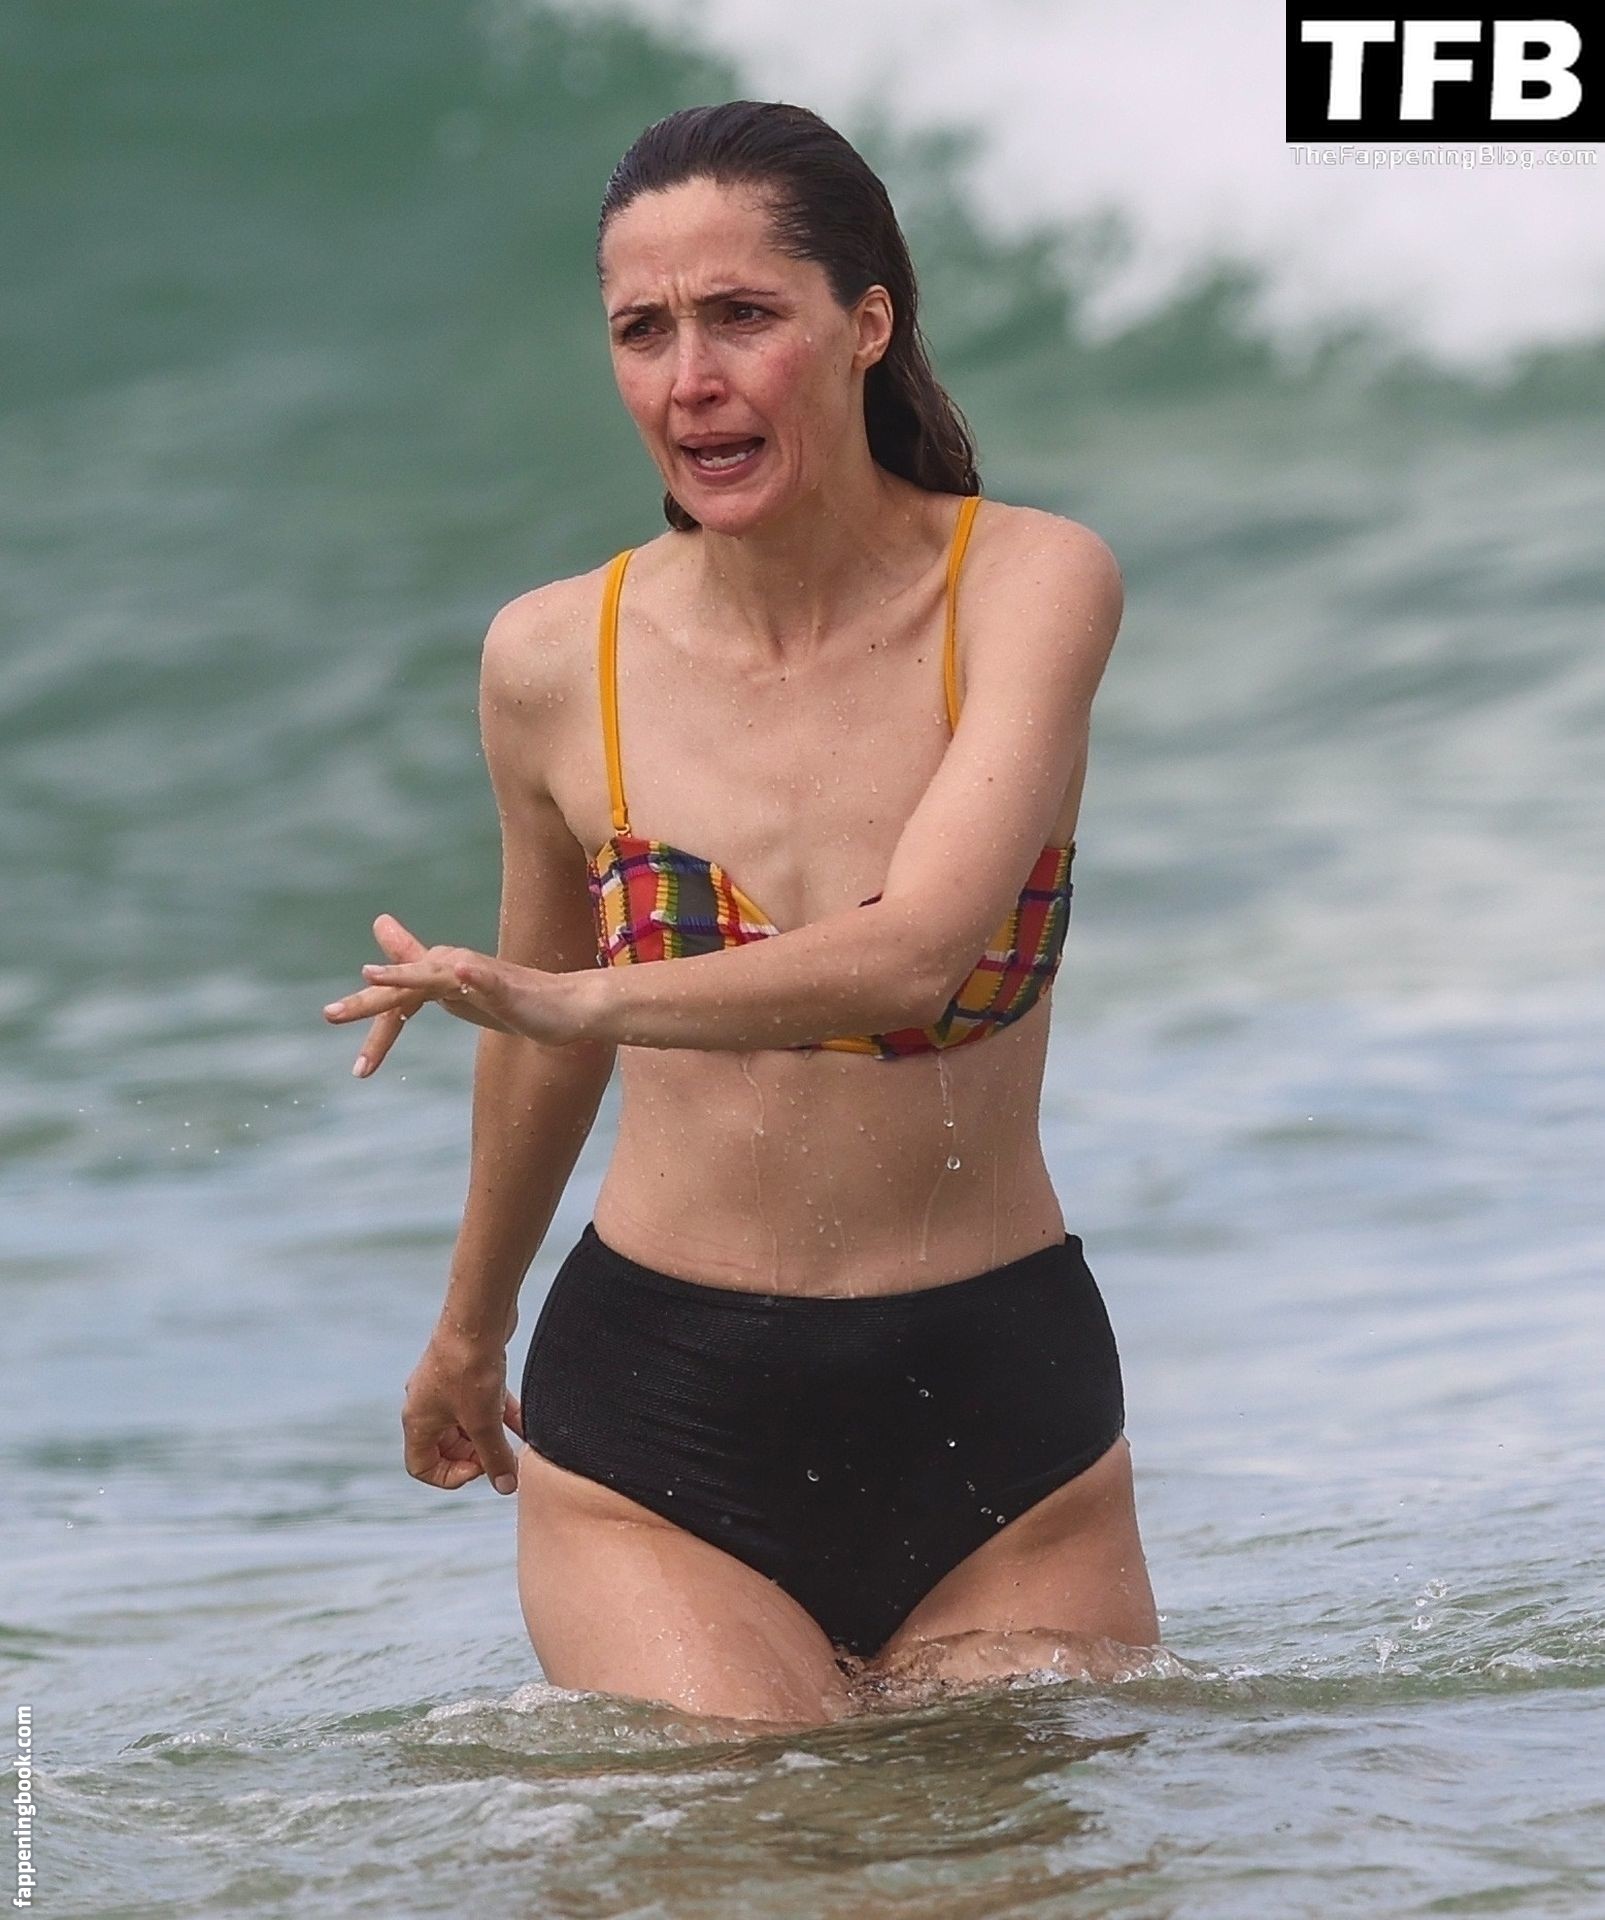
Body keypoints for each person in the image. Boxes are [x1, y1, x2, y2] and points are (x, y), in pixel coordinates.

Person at [322, 101, 1160, 1726]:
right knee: (752, 1833)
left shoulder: (1028, 585)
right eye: (642, 330)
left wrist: (583, 996)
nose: (687, 376)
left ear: (865, 324)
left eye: (740, 315)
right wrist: (466, 1331)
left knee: (1011, 1854)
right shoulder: (552, 659)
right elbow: (537, 1046)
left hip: (1005, 1423)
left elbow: (916, 950)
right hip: (660, 1431)